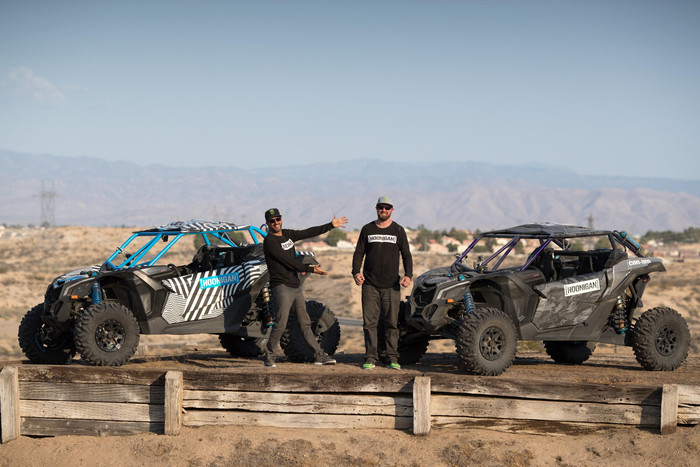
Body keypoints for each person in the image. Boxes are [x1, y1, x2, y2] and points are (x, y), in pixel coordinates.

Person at [263, 208, 348, 367]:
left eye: (278, 219)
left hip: (295, 287)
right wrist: (310, 269)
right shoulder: (270, 241)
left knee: (305, 322)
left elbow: (308, 232)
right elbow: (286, 261)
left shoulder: (287, 234)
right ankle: (269, 356)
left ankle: (319, 356)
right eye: (272, 221)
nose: (276, 222)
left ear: (281, 219)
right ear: (267, 224)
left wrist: (330, 225)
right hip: (281, 287)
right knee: (281, 323)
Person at [352, 196, 413, 370]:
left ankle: (392, 357)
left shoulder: (398, 230)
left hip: (392, 285)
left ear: (392, 209)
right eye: (381, 207)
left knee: (391, 323)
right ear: (376, 208)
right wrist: (356, 272)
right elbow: (359, 253)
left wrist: (408, 275)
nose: (384, 210)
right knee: (369, 323)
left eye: (387, 208)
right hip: (370, 284)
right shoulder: (367, 229)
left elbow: (406, 254)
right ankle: (371, 357)